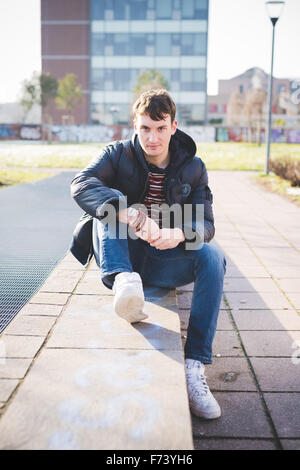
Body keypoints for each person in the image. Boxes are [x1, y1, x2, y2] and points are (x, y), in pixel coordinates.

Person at [70, 89, 226, 420]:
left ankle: (195, 368)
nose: (151, 138)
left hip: (163, 256)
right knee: (109, 200)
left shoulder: (194, 167)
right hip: (119, 252)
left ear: (173, 126)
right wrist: (125, 211)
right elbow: (81, 183)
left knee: (212, 257)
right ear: (135, 126)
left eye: (159, 128)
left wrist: (179, 232)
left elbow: (206, 222)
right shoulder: (117, 153)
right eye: (144, 128)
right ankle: (125, 285)